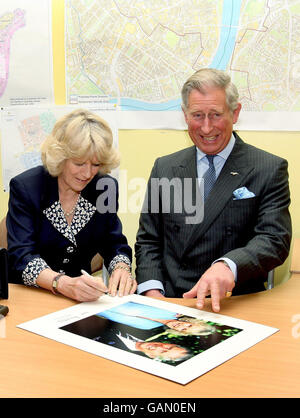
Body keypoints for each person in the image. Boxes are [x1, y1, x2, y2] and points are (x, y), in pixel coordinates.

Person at [135, 68, 292, 312]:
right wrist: (152, 291)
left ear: (235, 112)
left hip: (236, 303)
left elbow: (274, 240)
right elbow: (149, 240)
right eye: (197, 115)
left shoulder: (268, 168)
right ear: (185, 115)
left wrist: (229, 265)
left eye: (216, 115)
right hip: (172, 300)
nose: (207, 128)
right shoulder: (165, 167)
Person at [7, 109, 137, 301]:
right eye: (79, 163)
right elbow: (21, 256)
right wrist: (61, 282)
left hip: (78, 301)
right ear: (61, 157)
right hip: (29, 295)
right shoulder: (27, 187)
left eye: (95, 164)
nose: (87, 173)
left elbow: (113, 242)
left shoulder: (104, 188)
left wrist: (121, 268)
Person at [116, 333, 192, 362]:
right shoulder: (146, 329)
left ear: (151, 356)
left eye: (162, 352)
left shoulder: (119, 354)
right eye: (169, 348)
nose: (159, 347)